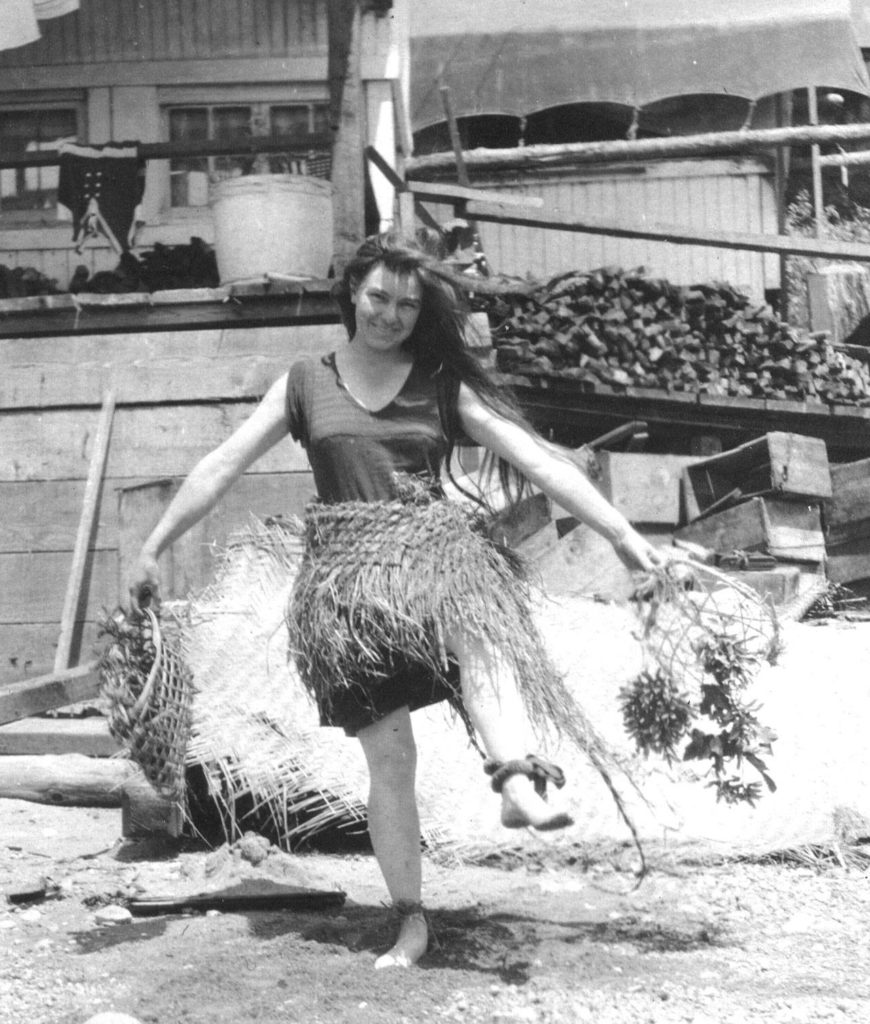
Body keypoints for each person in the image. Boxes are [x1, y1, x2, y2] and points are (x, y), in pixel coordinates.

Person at [128, 233, 666, 970]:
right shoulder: (304, 382)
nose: (390, 316)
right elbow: (222, 463)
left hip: (433, 556)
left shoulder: (442, 383)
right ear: (352, 292)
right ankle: (410, 920)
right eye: (379, 298)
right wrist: (154, 544)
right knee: (391, 758)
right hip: (349, 591)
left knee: (484, 630)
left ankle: (516, 781)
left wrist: (623, 534)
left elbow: (535, 458)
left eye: (408, 306)